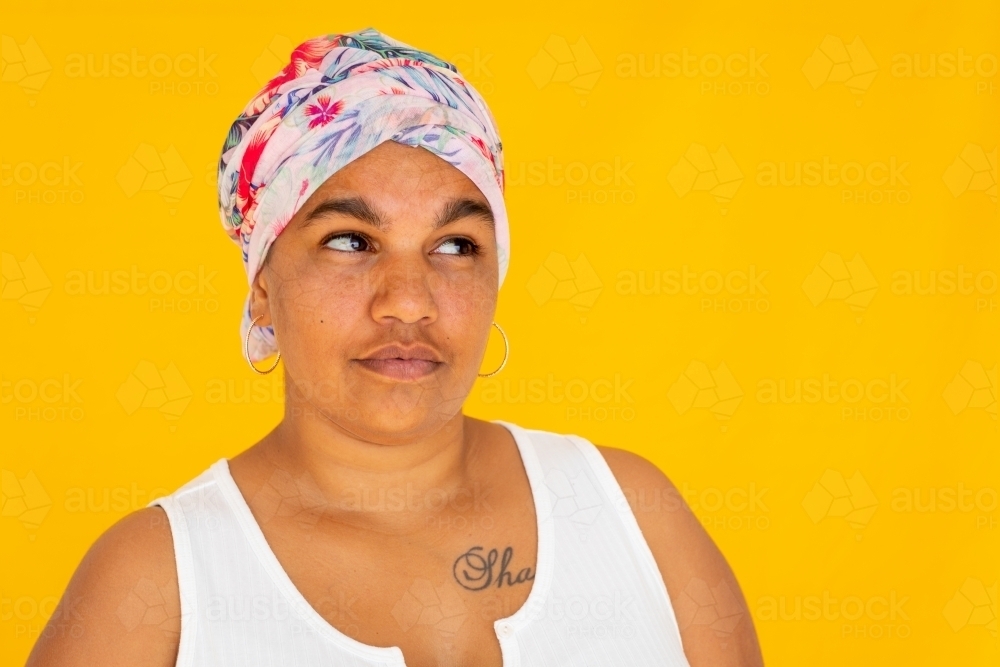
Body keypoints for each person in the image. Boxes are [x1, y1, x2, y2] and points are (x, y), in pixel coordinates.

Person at [27, 28, 763, 667]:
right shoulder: (156, 584)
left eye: (455, 244)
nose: (408, 299)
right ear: (261, 289)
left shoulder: (633, 514)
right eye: (350, 241)